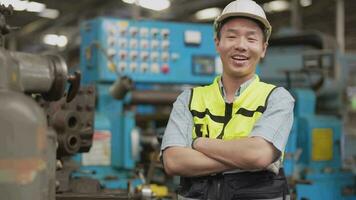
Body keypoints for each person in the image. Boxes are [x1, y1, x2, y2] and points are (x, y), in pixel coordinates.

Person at [161, 0, 295, 199]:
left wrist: (198, 143)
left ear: (263, 48)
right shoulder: (188, 99)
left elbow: (257, 155)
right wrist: (245, 159)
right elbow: (173, 162)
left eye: (251, 39)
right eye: (232, 36)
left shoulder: (277, 98)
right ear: (217, 43)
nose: (241, 46)